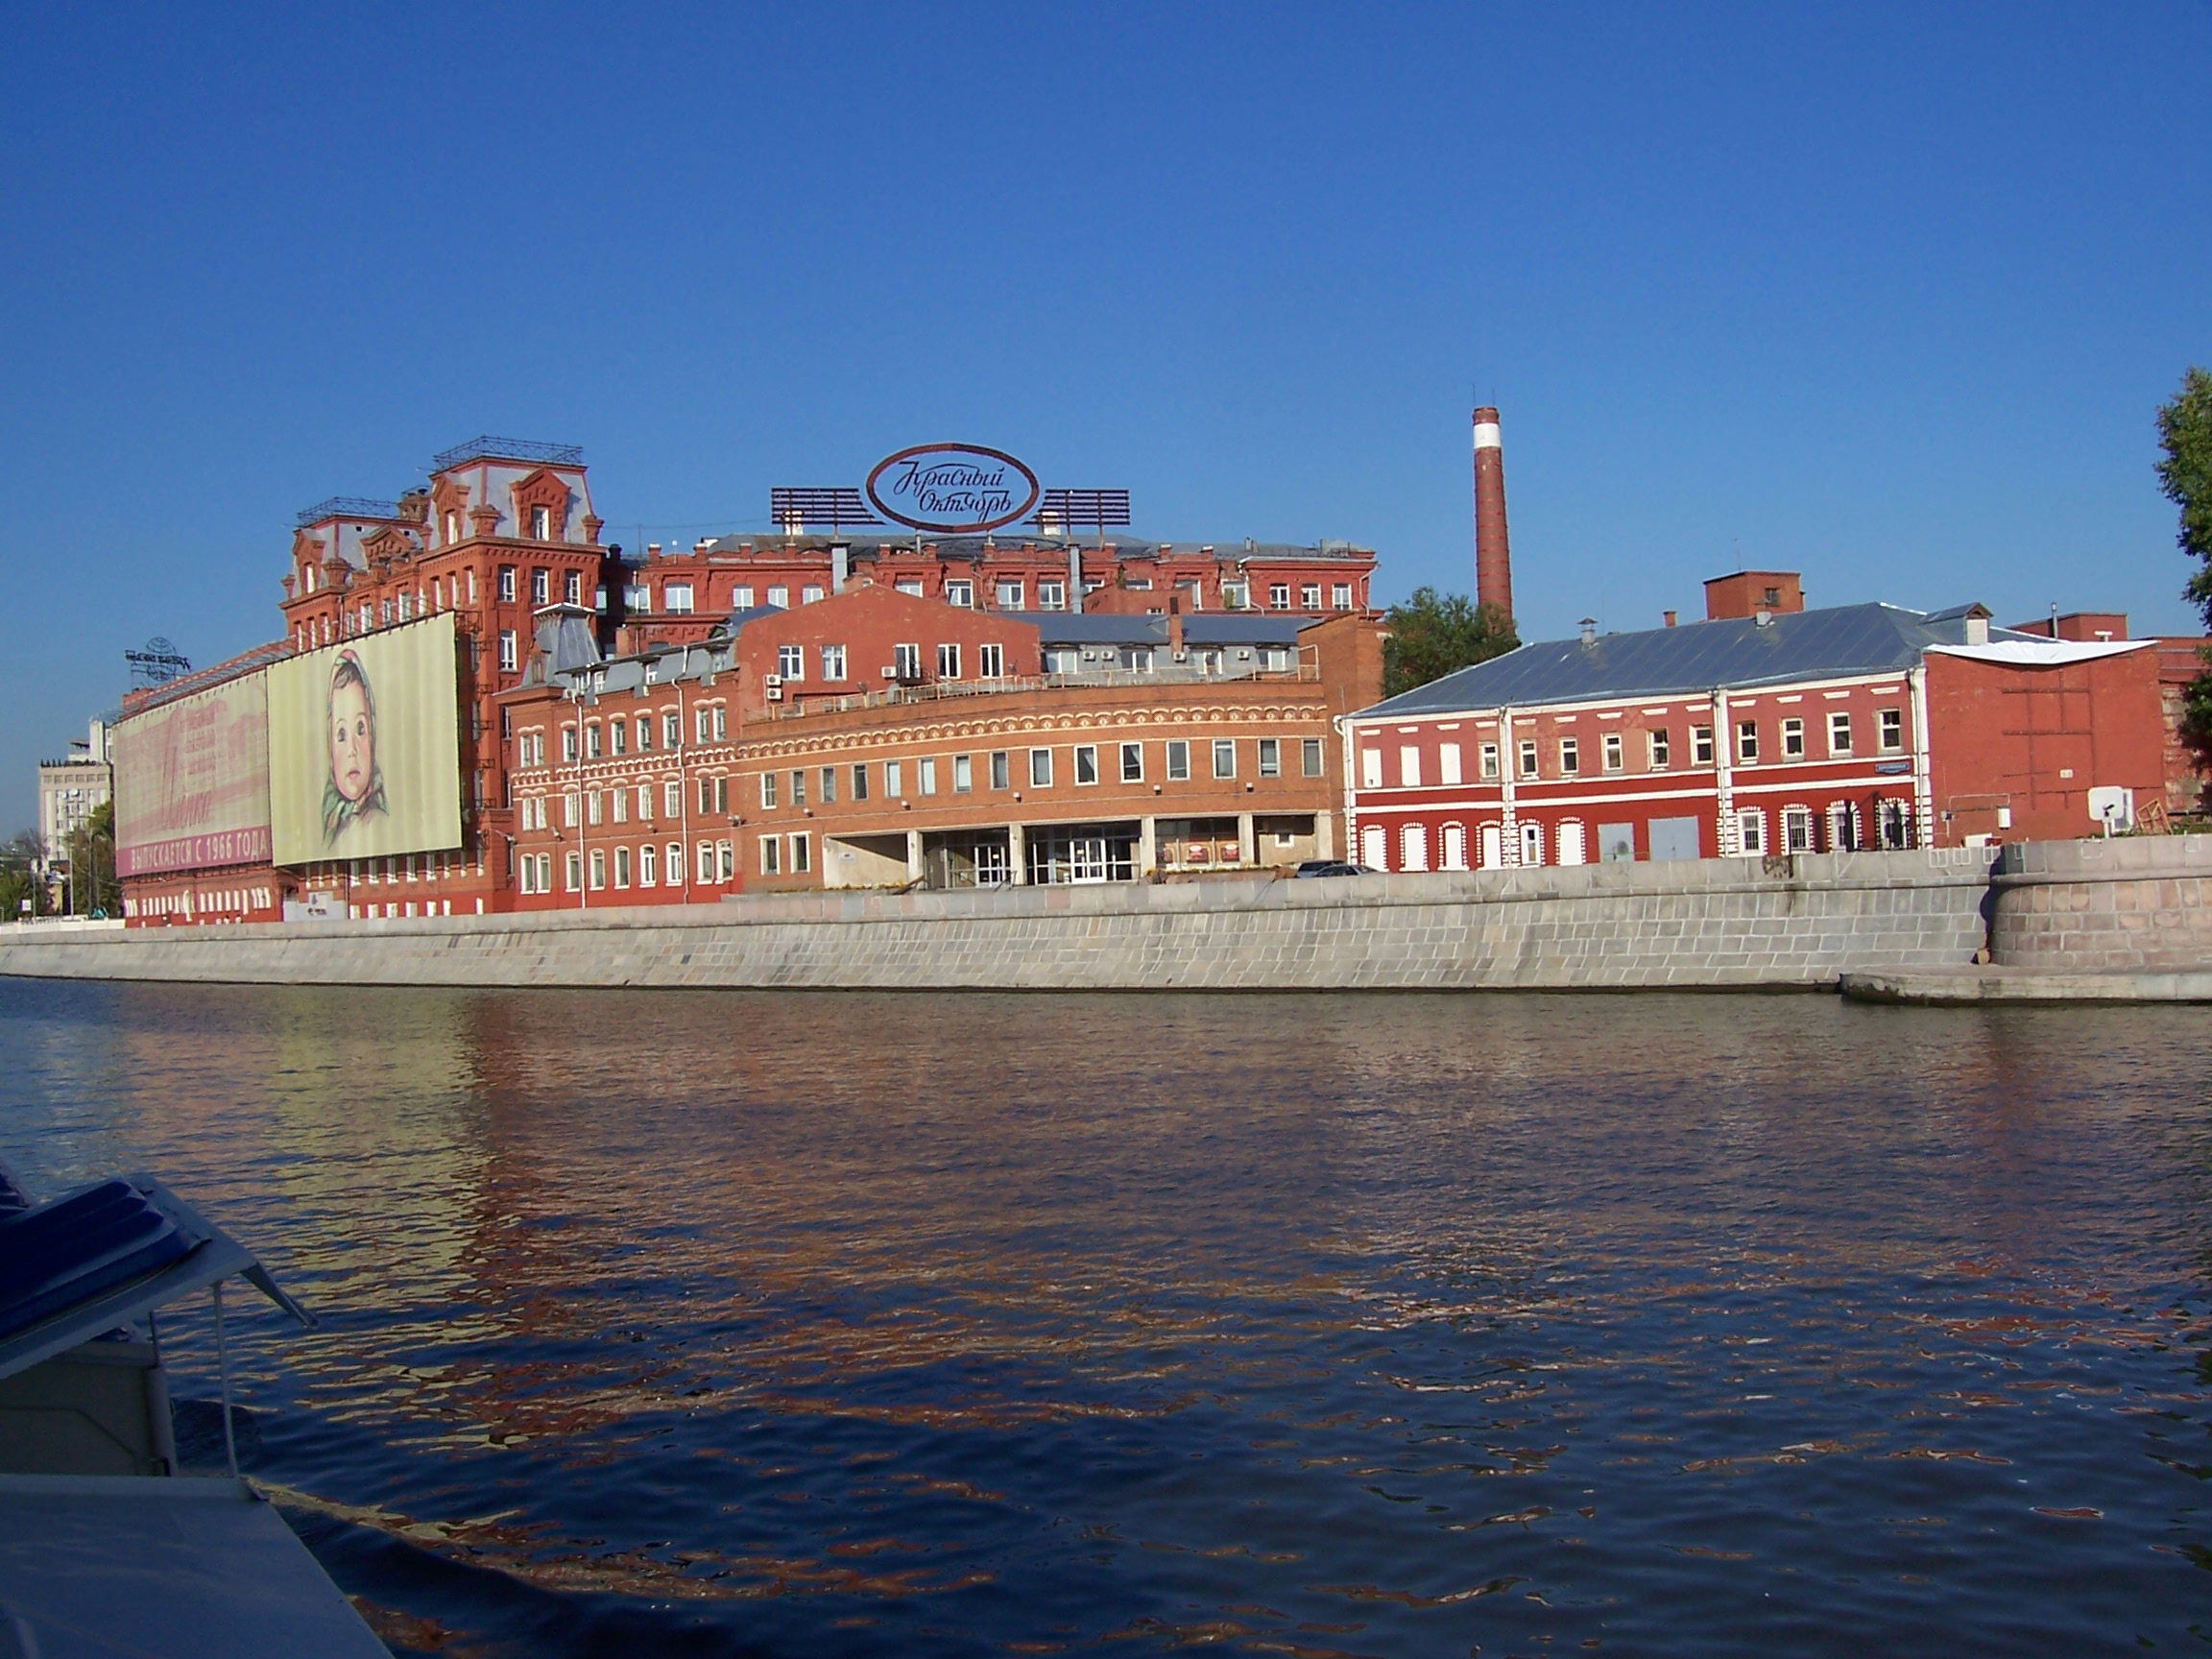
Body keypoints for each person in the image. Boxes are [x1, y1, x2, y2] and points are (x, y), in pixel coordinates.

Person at [323, 650, 388, 844]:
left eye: (361, 729)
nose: (352, 750)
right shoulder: (329, 821)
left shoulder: (379, 821)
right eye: (341, 734)